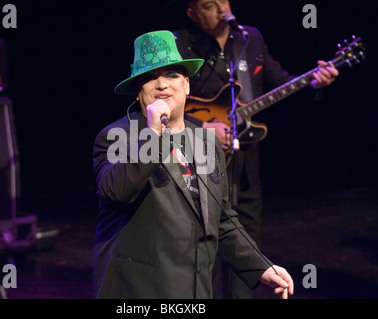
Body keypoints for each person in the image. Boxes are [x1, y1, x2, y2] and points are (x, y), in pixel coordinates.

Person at [92, 30, 294, 299]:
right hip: (140, 291)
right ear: (138, 92)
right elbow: (118, 190)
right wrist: (153, 133)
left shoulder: (206, 142)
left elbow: (221, 219)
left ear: (186, 85)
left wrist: (260, 266)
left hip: (194, 290)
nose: (162, 84)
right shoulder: (117, 136)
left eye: (171, 75)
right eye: (150, 78)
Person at [168, 0, 339, 298]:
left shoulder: (250, 38)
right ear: (193, 14)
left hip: (244, 159)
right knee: (198, 236)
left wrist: (314, 82)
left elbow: (281, 81)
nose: (222, 9)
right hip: (197, 161)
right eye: (210, 5)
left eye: (224, 0)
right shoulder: (179, 43)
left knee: (246, 236)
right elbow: (166, 101)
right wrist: (202, 129)